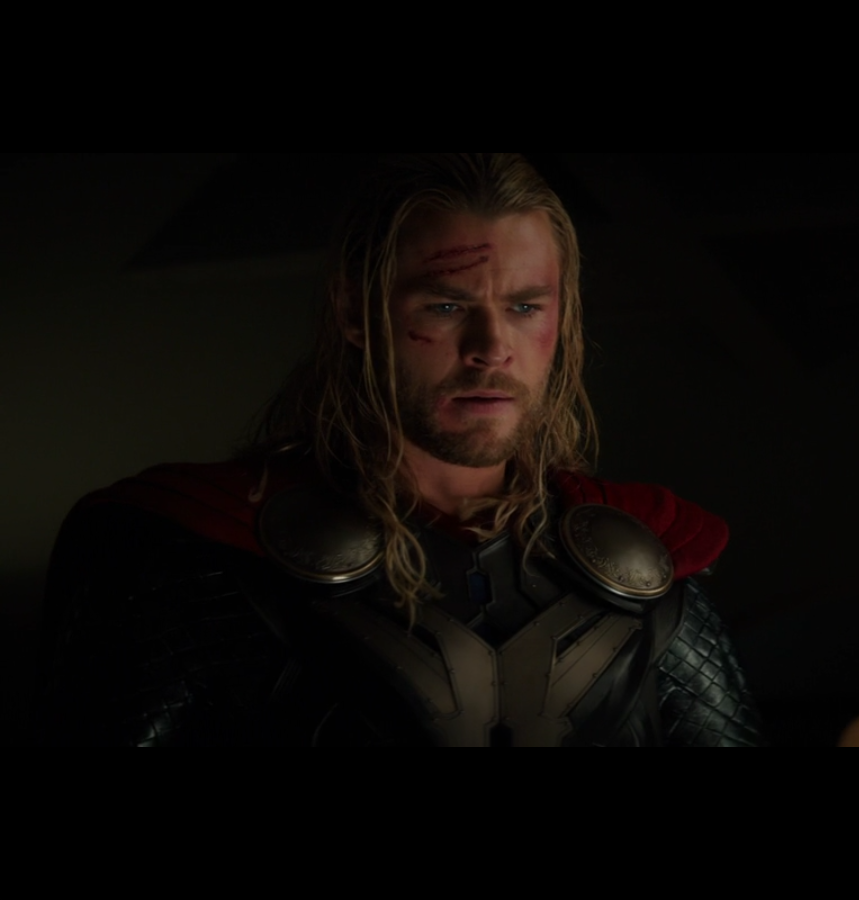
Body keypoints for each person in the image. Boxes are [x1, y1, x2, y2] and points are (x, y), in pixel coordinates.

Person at [36, 154, 763, 747]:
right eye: (445, 306)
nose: (491, 348)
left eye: (523, 307)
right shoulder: (198, 555)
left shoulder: (645, 565)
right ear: (356, 313)